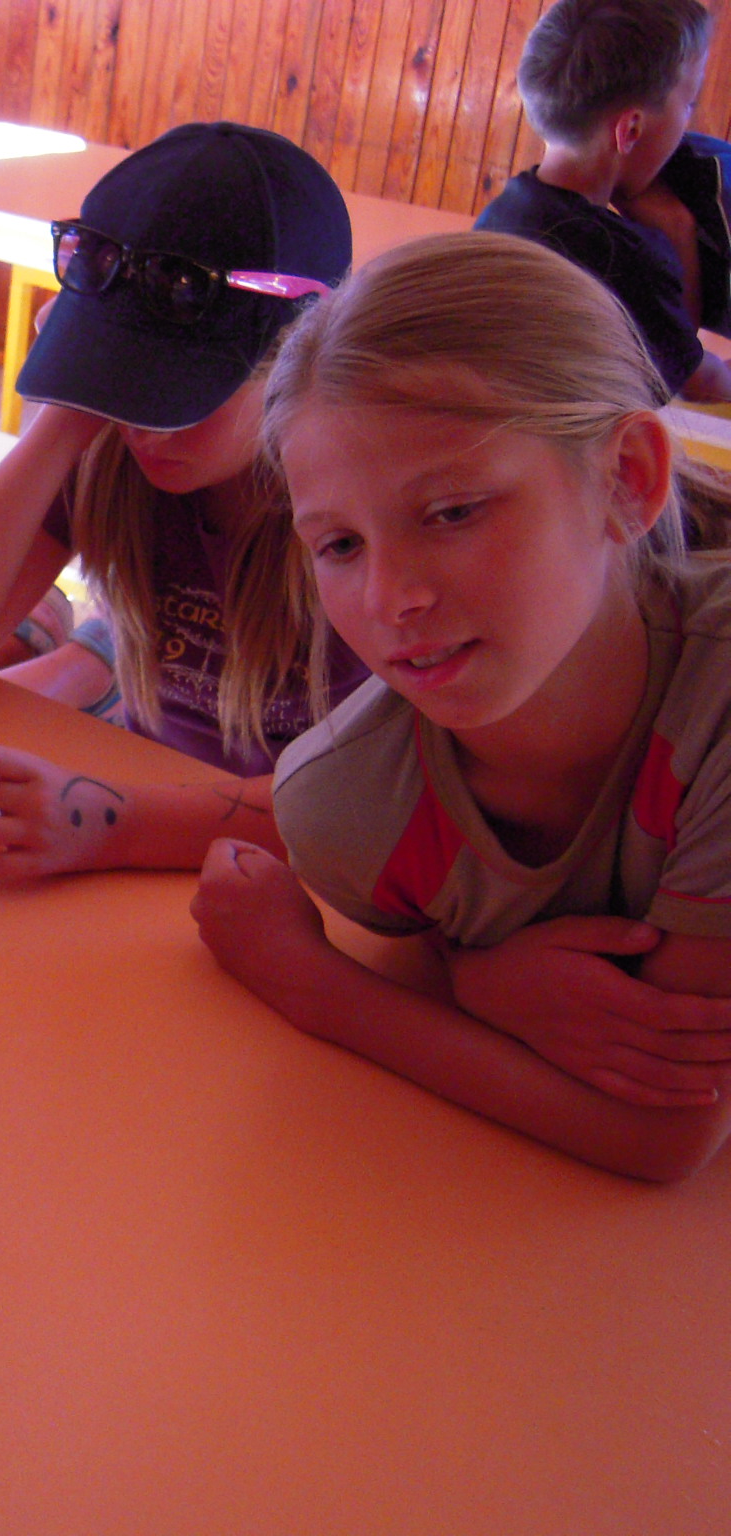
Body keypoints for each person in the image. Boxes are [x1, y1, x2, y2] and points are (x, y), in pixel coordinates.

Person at [193, 233, 731, 1183]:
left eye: (452, 512)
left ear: (628, 479)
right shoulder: (348, 811)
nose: (390, 599)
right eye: (340, 545)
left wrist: (317, 986)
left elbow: (664, 1134)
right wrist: (466, 978)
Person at [0, 122, 371, 880]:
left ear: (304, 360)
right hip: (147, 817)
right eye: (119, 376)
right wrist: (65, 412)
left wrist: (111, 821)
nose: (140, 424)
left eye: (174, 393)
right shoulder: (111, 449)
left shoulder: (364, 512)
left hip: (287, 870)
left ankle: (72, 643)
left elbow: (364, 807)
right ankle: (75, 643)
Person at [474, 0, 731, 403]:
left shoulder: (504, 212)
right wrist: (677, 227)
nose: (688, 125)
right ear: (630, 130)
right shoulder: (618, 256)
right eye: (689, 104)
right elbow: (694, 380)